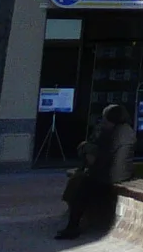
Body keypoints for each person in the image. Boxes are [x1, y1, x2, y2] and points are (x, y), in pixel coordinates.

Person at [55, 103, 135, 240]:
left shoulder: (116, 134)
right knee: (79, 180)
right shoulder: (125, 131)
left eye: (105, 119)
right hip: (116, 174)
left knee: (81, 185)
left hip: (112, 176)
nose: (103, 122)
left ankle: (73, 225)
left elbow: (101, 157)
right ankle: (73, 220)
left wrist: (86, 147)